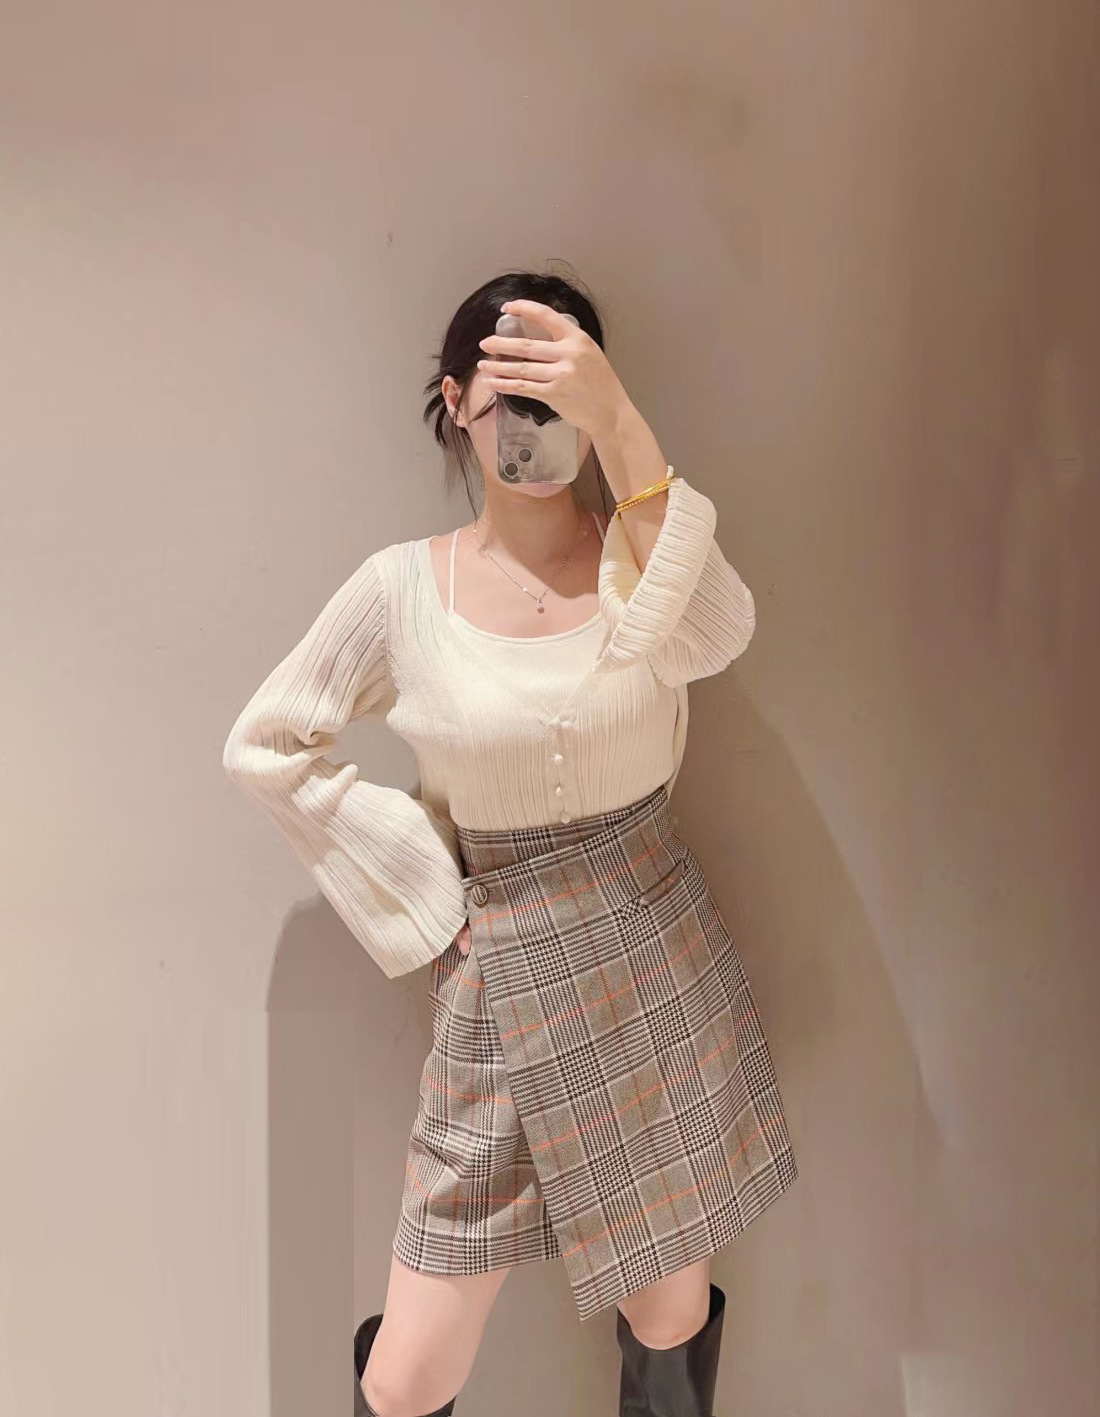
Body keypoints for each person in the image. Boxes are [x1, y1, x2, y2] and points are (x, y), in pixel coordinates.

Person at [222, 269, 799, 1417]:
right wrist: (429, 896)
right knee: (408, 1374)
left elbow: (718, 630)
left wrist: (621, 423)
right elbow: (267, 744)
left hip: (650, 953)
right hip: (498, 983)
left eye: (558, 399)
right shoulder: (401, 589)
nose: (532, 431)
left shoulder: (643, 557)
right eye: (505, 401)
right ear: (454, 403)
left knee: (667, 1312)